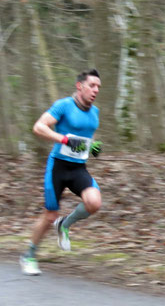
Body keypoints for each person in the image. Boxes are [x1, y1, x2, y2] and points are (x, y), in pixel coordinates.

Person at [19, 69, 104, 276]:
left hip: (78, 168)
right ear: (80, 86)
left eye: (98, 87)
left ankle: (65, 225)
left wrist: (92, 147)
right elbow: (39, 127)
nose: (96, 90)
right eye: (92, 85)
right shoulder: (64, 105)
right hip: (58, 166)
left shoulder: (95, 112)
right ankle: (29, 255)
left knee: (94, 202)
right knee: (49, 216)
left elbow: (84, 139)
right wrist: (63, 139)